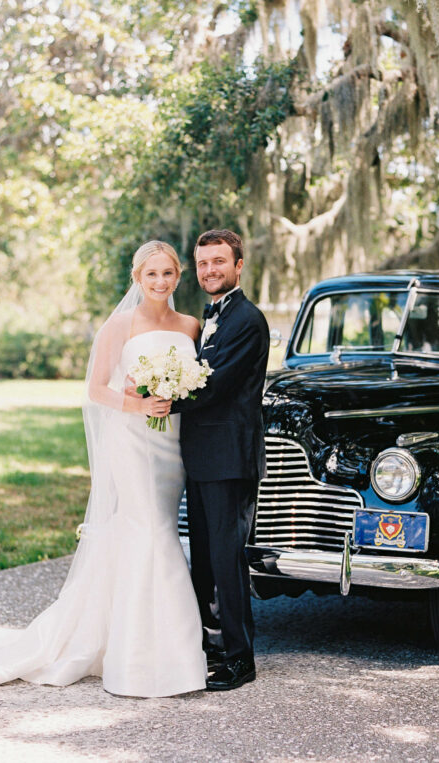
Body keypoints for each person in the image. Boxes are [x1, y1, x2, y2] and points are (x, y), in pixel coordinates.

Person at [0, 240, 207, 698]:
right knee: (152, 530)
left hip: (170, 443)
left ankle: (144, 641)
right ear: (137, 278)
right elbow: (96, 389)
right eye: (151, 273)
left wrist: (173, 394)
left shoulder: (190, 325)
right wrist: (138, 402)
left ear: (178, 277)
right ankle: (145, 658)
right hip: (132, 440)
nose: (161, 282)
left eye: (169, 273)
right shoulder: (119, 325)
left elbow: (193, 384)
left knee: (155, 526)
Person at [170, 229, 270, 691]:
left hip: (229, 458)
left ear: (238, 265)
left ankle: (240, 659)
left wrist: (162, 399)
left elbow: (214, 384)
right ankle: (208, 646)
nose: (209, 270)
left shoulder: (247, 320)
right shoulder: (212, 318)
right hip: (201, 457)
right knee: (206, 560)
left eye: (219, 262)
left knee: (228, 561)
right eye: (203, 263)